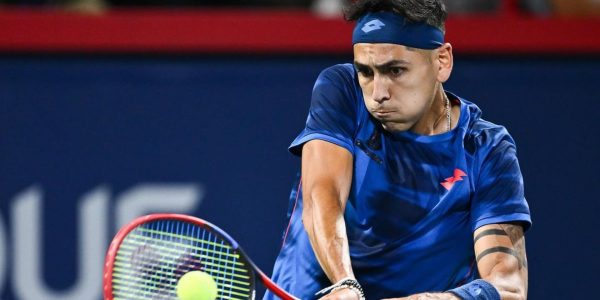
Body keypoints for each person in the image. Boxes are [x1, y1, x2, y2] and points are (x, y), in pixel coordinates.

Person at [264, 0, 531, 299]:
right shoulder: (342, 91)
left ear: (442, 62)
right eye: (366, 72)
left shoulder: (486, 149)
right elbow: (322, 196)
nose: (378, 93)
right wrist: (344, 283)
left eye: (395, 70)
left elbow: (508, 287)